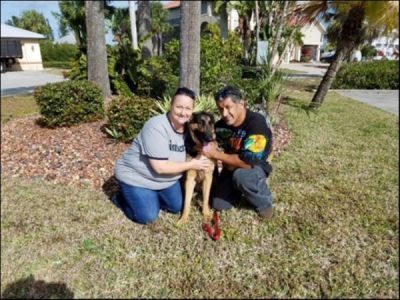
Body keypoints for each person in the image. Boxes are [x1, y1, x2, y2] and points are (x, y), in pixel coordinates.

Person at [112, 87, 210, 225]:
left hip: (165, 181)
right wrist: (192, 164)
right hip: (137, 177)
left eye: (188, 108)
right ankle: (120, 198)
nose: (183, 113)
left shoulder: (189, 128)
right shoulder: (156, 127)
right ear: (171, 105)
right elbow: (160, 168)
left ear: (192, 110)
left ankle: (149, 197)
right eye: (179, 107)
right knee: (148, 216)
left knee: (176, 207)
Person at [201, 85, 274, 219]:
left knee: (242, 176)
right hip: (230, 167)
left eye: (228, 107)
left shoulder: (256, 122)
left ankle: (264, 201)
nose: (224, 114)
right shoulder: (220, 127)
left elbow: (248, 162)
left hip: (254, 167)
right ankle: (240, 190)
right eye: (220, 109)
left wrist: (216, 155)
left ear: (241, 104)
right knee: (218, 204)